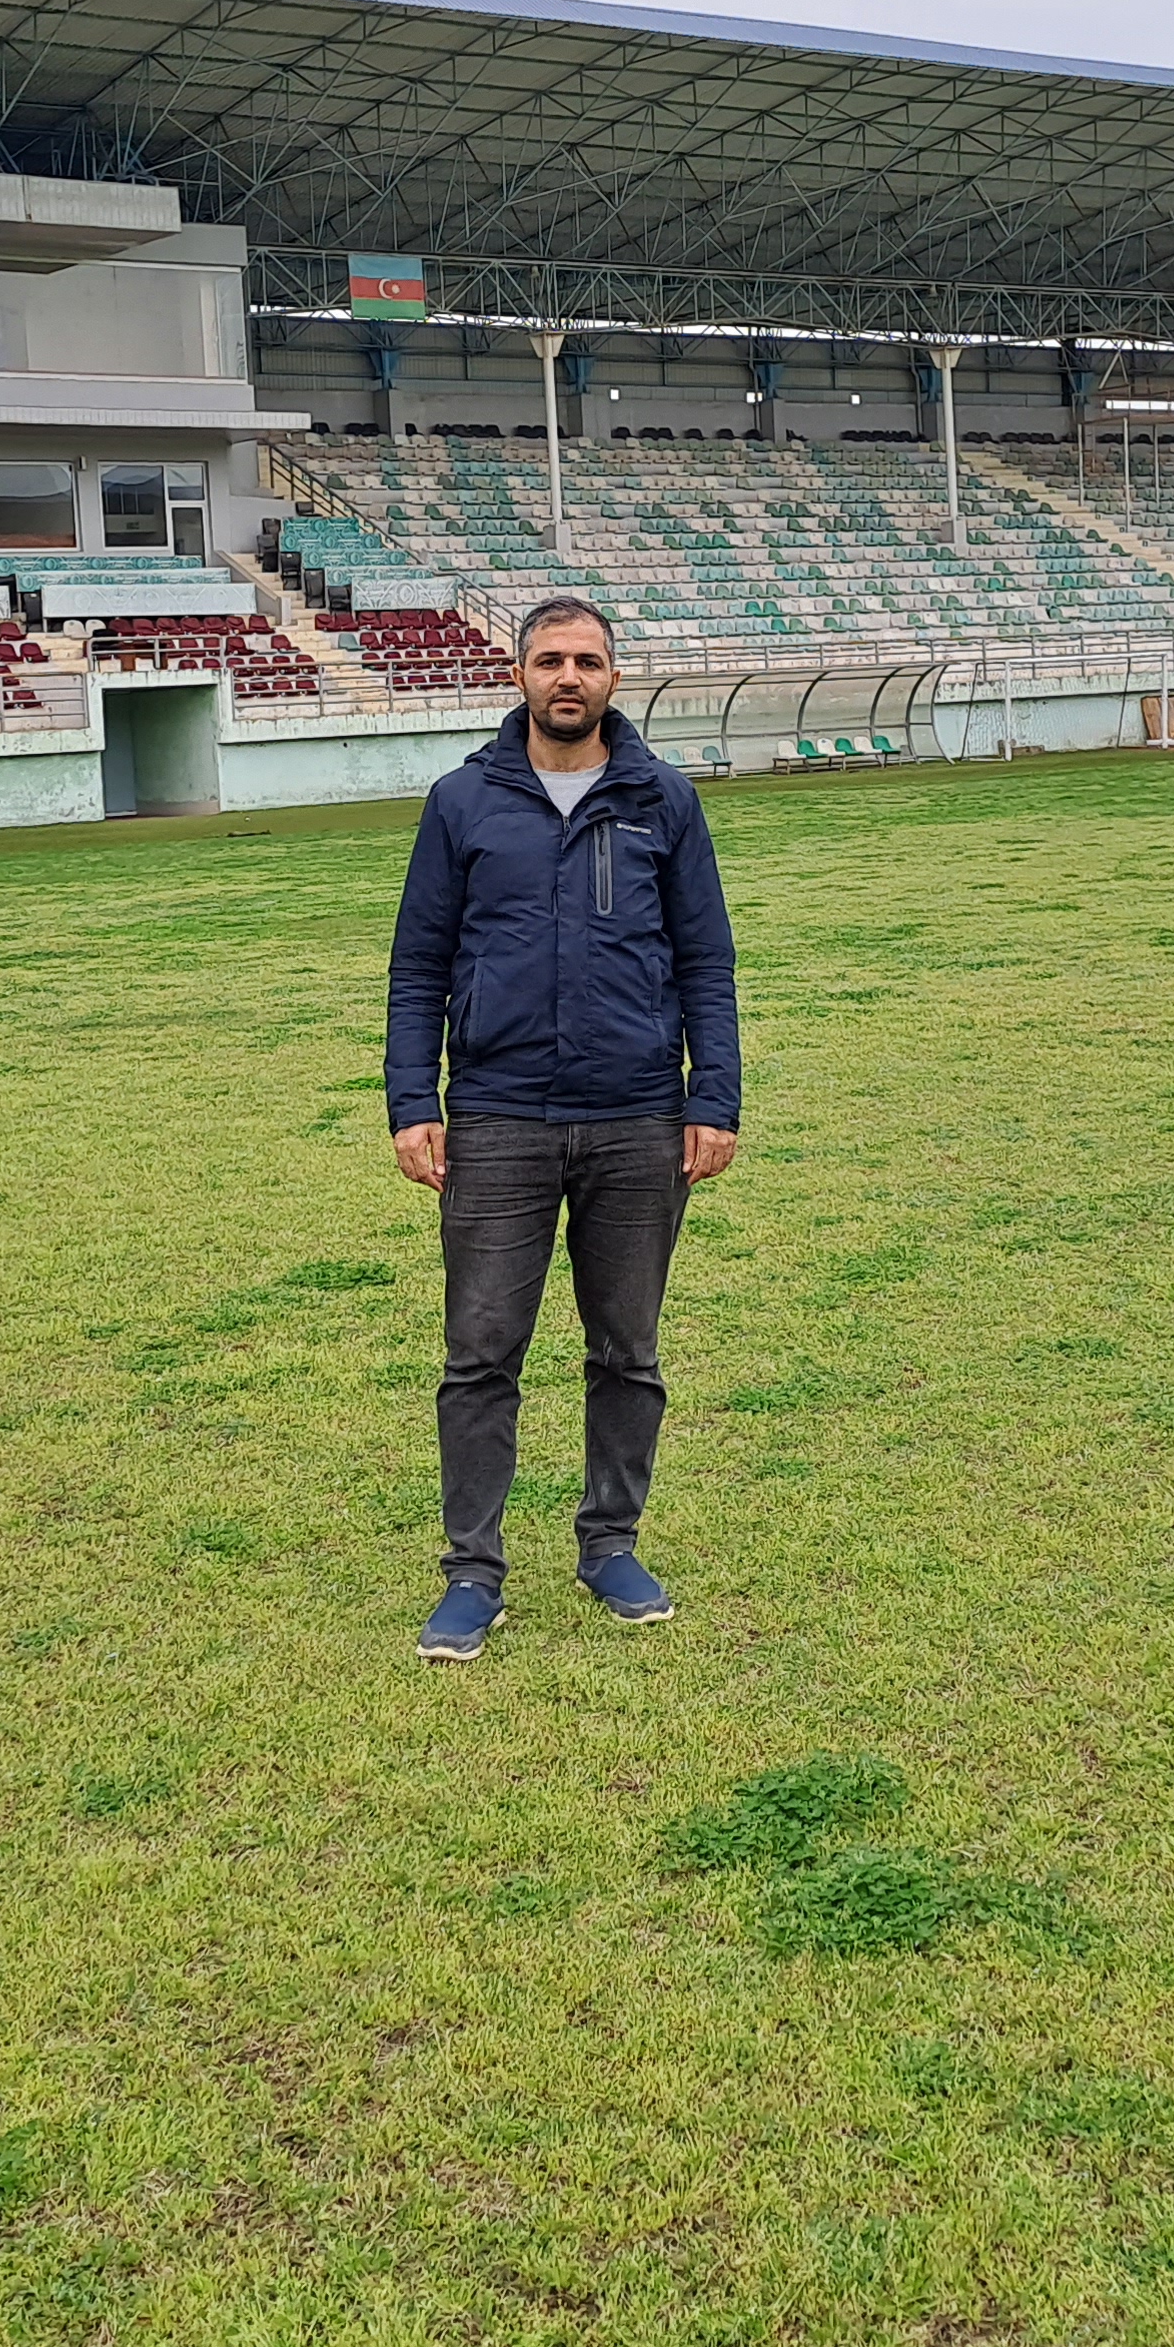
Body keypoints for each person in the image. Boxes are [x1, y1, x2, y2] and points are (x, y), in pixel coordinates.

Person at [385, 594, 741, 1661]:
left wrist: (711, 1096)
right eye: (550, 660)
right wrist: (414, 1102)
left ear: (614, 679)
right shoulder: (462, 802)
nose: (568, 677)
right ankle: (472, 1573)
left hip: (636, 1118)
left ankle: (609, 1543)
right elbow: (418, 966)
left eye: (587, 659)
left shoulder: (662, 800)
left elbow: (705, 962)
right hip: (496, 1121)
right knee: (480, 1353)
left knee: (626, 1351)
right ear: (520, 676)